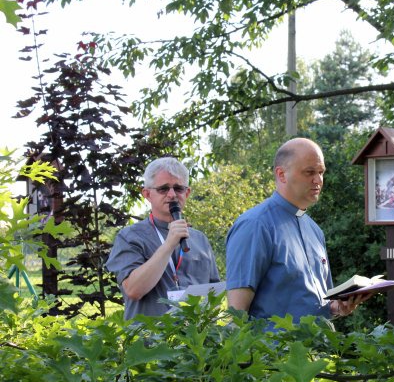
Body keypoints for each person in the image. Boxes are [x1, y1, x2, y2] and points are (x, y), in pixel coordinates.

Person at [226, 138, 367, 324]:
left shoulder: (315, 231)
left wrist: (337, 308)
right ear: (282, 174)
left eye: (321, 172)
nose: (318, 180)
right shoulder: (255, 225)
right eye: (309, 172)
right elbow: (237, 316)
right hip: (274, 352)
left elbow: (315, 303)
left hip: (318, 350)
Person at [106, 157, 220, 320]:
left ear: (187, 193)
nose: (172, 194)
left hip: (193, 341)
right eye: (163, 189)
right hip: (149, 342)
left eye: (179, 188)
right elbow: (133, 290)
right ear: (147, 194)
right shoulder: (130, 237)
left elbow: (213, 296)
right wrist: (168, 245)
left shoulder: (199, 239)